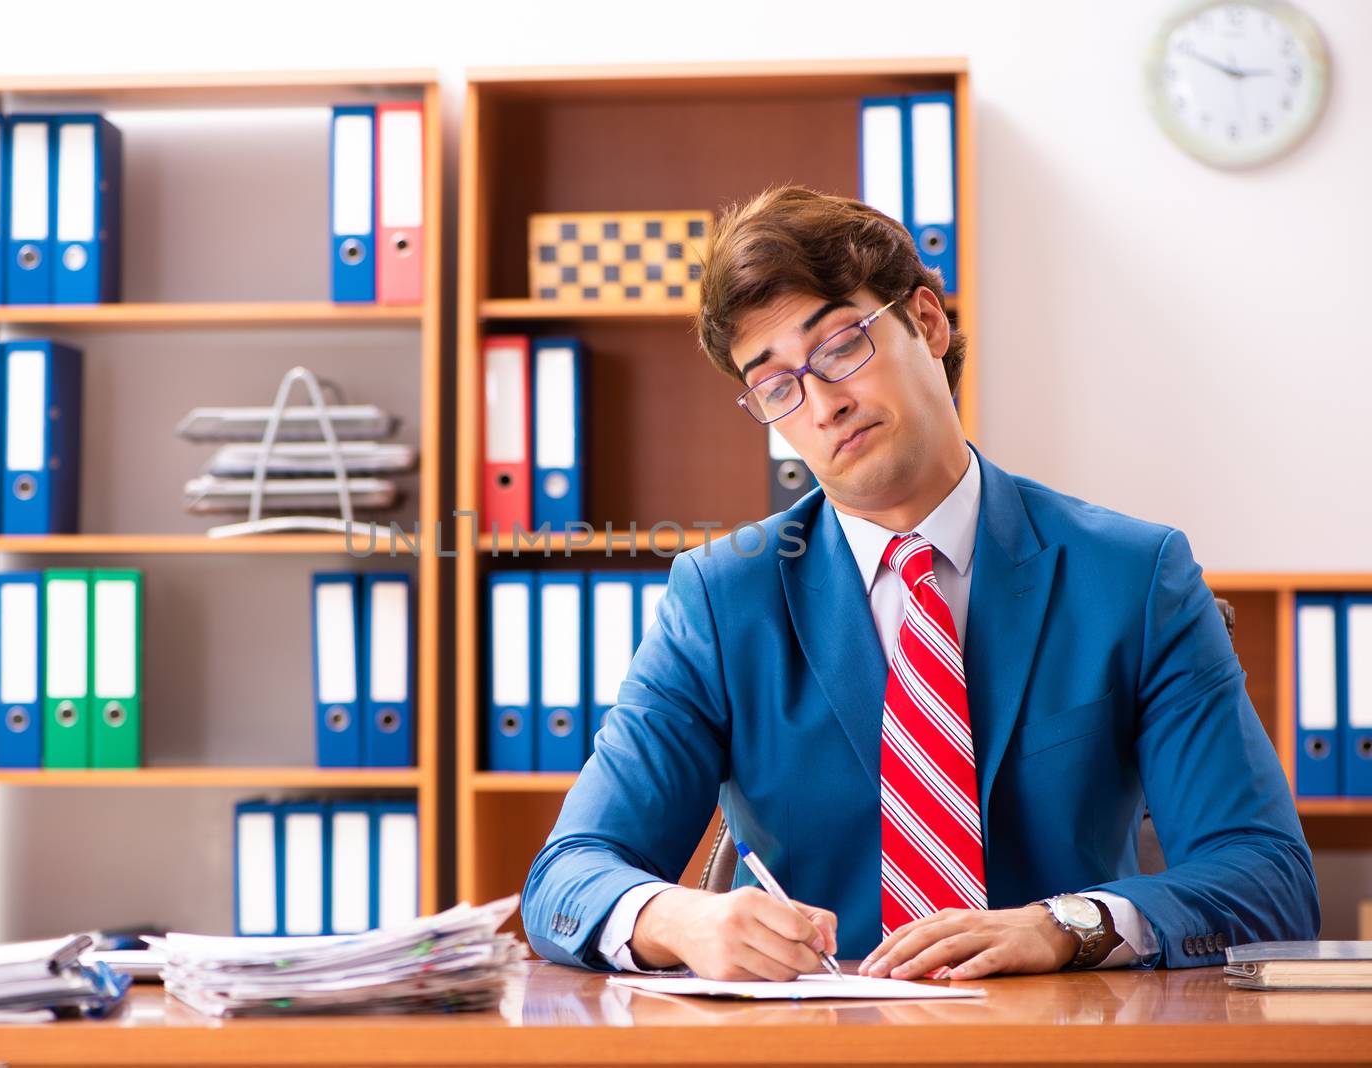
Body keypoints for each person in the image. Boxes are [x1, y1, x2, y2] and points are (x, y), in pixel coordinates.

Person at [520, 185, 1318, 981]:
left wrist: (1066, 926)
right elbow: (567, 876)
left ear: (927, 322)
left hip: (1060, 1039)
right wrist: (678, 918)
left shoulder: (1135, 577)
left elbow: (1267, 878)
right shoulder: (724, 599)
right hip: (820, 1043)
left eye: (838, 348)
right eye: (775, 386)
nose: (822, 405)